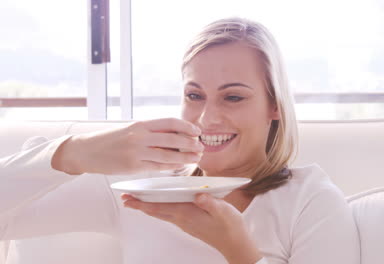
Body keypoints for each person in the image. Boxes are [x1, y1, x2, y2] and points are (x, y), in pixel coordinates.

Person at [0, 18, 360, 264]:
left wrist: (239, 251)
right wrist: (72, 154)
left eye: (233, 97)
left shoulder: (309, 200)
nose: (206, 119)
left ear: (275, 106)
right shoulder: (140, 192)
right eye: (194, 95)